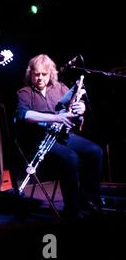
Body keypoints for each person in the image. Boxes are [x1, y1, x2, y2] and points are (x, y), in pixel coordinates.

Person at [15, 54, 103, 218]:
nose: (40, 78)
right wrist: (55, 117)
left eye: (44, 74)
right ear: (31, 74)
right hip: (39, 140)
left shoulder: (60, 87)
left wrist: (80, 108)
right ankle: (72, 209)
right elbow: (24, 115)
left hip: (63, 135)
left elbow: (74, 109)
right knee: (71, 158)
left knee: (95, 151)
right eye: (36, 74)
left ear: (50, 74)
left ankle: (90, 200)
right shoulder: (24, 93)